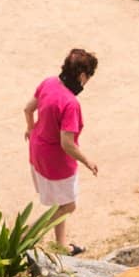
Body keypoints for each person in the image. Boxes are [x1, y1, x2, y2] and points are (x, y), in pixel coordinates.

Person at [24, 48, 98, 252]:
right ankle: (25, 235)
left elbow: (28, 109)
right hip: (56, 163)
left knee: (60, 203)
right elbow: (67, 143)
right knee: (68, 206)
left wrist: (30, 129)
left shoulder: (49, 83)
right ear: (82, 76)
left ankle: (61, 245)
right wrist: (87, 161)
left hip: (37, 151)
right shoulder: (70, 103)